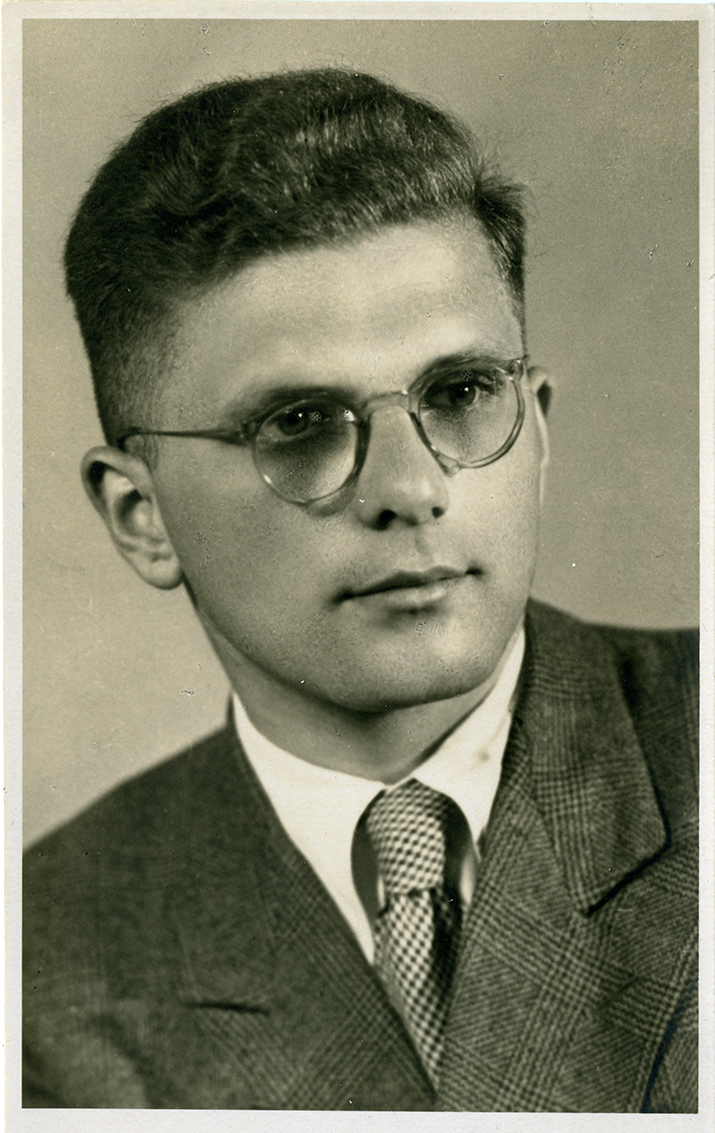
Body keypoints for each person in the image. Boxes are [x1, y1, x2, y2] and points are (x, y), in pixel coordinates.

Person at [23, 69, 698, 1112]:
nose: (412, 486)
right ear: (140, 516)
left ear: (541, 428)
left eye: (463, 394)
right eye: (297, 423)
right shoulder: (41, 964)